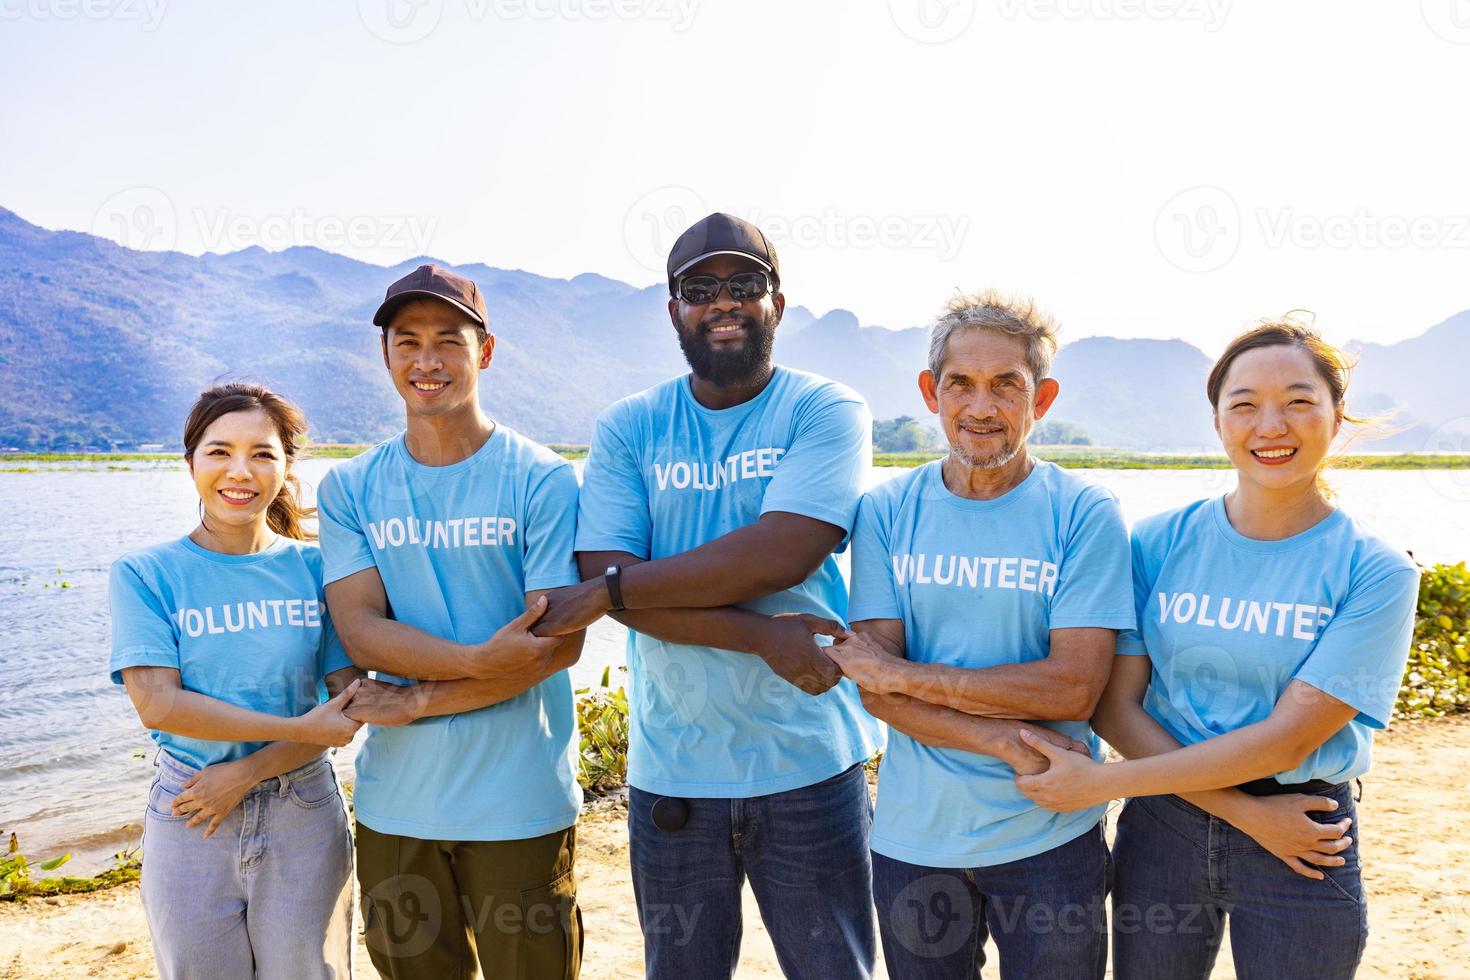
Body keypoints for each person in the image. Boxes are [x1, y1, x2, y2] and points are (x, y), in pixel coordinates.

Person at [1015, 317, 1421, 979]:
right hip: (1163, 830)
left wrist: (1102, 783)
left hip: (1304, 831)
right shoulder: (1154, 542)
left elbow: (1288, 741)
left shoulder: (1376, 570)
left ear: (1336, 417)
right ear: (1216, 422)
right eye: (1244, 405)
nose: (1271, 426)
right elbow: (1117, 707)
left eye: (1298, 402)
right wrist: (1241, 813)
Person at [534, 213, 882, 979]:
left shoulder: (825, 410)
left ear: (777, 305)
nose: (722, 302)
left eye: (744, 285)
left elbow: (779, 554)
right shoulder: (629, 426)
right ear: (673, 312)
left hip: (810, 764)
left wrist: (615, 589)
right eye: (699, 289)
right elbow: (612, 580)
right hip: (674, 771)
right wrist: (759, 636)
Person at [825, 290, 1135, 979]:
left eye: (1006, 386)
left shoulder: (1084, 513)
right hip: (915, 840)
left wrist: (906, 675)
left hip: (1050, 831)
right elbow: (875, 694)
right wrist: (999, 739)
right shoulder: (885, 510)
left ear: (1041, 399)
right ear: (932, 392)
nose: (982, 407)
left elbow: (1073, 687)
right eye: (961, 384)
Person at [317, 263, 586, 980]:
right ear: (385, 356)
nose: (426, 361)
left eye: (448, 341)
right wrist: (479, 661)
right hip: (395, 805)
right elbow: (360, 629)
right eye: (406, 342)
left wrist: (416, 698)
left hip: (519, 803)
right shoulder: (349, 486)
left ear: (486, 352)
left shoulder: (544, 479)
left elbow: (556, 646)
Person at [108, 382, 363, 979]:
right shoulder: (147, 573)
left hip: (303, 806)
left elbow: (346, 707)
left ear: (286, 464)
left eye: (263, 453)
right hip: (192, 809)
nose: (239, 471)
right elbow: (157, 703)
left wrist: (248, 771)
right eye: (219, 451)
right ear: (190, 461)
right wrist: (300, 725)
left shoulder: (319, 569)